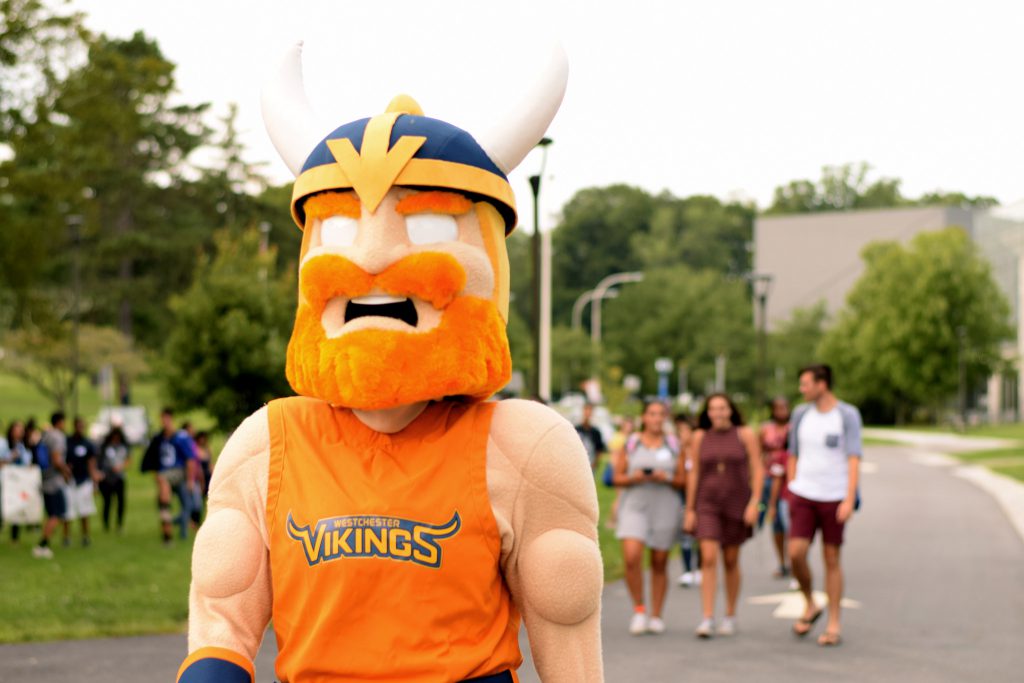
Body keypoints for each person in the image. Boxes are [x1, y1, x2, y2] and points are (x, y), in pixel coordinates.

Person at [787, 364, 862, 647]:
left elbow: (854, 457)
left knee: (832, 559)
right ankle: (809, 603)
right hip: (803, 494)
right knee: (796, 553)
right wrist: (792, 486)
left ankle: (833, 623)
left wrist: (849, 498)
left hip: (833, 496)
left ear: (822, 384)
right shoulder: (800, 414)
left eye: (806, 384)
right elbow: (792, 452)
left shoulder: (846, 414)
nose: (802, 389)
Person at [684, 394, 763, 638]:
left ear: (730, 410)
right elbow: (694, 472)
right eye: (713, 409)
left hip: (737, 503)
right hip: (707, 504)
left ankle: (730, 614)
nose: (717, 413)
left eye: (722, 408)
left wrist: (754, 502)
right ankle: (707, 617)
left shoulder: (744, 434)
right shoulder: (699, 437)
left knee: (730, 560)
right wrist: (689, 509)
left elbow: (758, 468)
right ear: (707, 413)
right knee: (708, 558)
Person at [612, 400, 685, 635]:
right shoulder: (632, 443)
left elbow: (683, 480)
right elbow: (617, 477)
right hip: (635, 504)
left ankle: (656, 615)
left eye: (661, 414)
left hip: (664, 504)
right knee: (632, 556)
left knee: (660, 561)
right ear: (644, 417)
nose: (656, 418)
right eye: (652, 414)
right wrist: (634, 477)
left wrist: (666, 477)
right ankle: (640, 609)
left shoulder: (674, 444)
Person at [142, 408, 195, 544]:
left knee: (163, 482)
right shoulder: (159, 438)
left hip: (177, 472)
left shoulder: (180, 437)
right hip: (164, 474)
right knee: (164, 499)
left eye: (167, 419)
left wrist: (190, 479)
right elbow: (151, 459)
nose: (164, 422)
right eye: (162, 419)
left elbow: (190, 460)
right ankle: (167, 535)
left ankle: (166, 504)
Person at [758, 397, 792, 579]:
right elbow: (757, 454)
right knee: (776, 522)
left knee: (791, 523)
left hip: (790, 478)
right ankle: (782, 562)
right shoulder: (765, 429)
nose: (781, 411)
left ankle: (796, 560)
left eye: (784, 407)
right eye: (778, 408)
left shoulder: (794, 428)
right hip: (769, 479)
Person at [33, 414, 71, 559]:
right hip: (54, 482)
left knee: (51, 515)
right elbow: (56, 459)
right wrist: (66, 471)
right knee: (58, 514)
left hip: (45, 479)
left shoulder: (46, 435)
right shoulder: (57, 436)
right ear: (60, 422)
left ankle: (44, 543)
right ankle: (42, 545)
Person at [673, 413, 701, 588]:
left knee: (701, 534)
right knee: (685, 534)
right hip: (683, 498)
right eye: (679, 432)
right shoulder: (680, 454)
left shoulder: (700, 452)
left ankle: (700, 568)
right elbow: (679, 478)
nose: (681, 436)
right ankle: (687, 570)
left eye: (684, 431)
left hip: (701, 498)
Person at [64, 417, 100, 546]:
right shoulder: (68, 442)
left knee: (85, 511)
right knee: (68, 512)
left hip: (84, 480)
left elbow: (91, 463)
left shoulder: (88, 443)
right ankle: (66, 537)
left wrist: (95, 481)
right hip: (70, 481)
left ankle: (85, 536)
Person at [3, 421, 32, 543]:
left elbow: (27, 462)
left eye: (21, 429)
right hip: (5, 480)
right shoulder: (4, 444)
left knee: (18, 506)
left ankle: (15, 537)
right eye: (17, 429)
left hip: (19, 482)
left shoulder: (23, 446)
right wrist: (11, 457)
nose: (20, 432)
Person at [98, 426, 130, 533]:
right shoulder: (106, 447)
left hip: (119, 477)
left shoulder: (123, 447)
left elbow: (128, 459)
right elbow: (100, 461)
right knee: (107, 502)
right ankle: (106, 523)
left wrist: (121, 467)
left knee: (121, 502)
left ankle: (119, 523)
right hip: (107, 478)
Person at [575, 402, 607, 472]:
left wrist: (595, 464)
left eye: (590, 411)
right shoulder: (576, 429)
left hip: (591, 465)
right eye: (586, 410)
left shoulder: (596, 432)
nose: (588, 413)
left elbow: (599, 450)